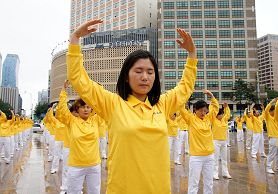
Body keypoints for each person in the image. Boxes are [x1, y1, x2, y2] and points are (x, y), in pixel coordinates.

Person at [67, 19, 197, 194]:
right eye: (138, 71)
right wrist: (75, 39)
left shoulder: (163, 105)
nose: (145, 77)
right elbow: (79, 80)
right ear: (126, 76)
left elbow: (185, 87)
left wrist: (192, 55)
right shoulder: (112, 104)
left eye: (150, 72)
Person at [55, 81, 101, 194]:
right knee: (73, 192)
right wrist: (64, 90)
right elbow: (61, 110)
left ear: (91, 109)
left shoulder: (96, 120)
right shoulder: (71, 121)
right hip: (76, 166)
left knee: (94, 191)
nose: (86, 109)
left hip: (94, 165)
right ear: (77, 109)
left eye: (88, 107)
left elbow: (102, 106)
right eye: (82, 107)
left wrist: (97, 89)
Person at [180, 90, 218, 194]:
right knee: (193, 183)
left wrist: (211, 96)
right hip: (196, 157)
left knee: (209, 183)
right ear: (195, 110)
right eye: (200, 110)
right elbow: (181, 108)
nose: (203, 113)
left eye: (205, 110)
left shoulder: (208, 118)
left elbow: (215, 108)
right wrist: (186, 95)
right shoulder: (190, 119)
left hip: (209, 156)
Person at [212, 102, 232, 180]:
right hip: (215, 141)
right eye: (220, 114)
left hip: (224, 142)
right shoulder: (213, 120)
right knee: (215, 158)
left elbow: (228, 114)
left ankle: (225, 173)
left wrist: (226, 107)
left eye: (222, 114)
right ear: (217, 115)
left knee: (224, 158)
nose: (222, 115)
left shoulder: (224, 120)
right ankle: (215, 173)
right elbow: (212, 112)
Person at [263, 98, 278, 174]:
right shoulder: (268, 117)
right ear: (271, 112)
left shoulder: (277, 118)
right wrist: (271, 102)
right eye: (274, 111)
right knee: (272, 153)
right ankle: (268, 167)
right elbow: (266, 110)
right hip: (273, 138)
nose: (275, 112)